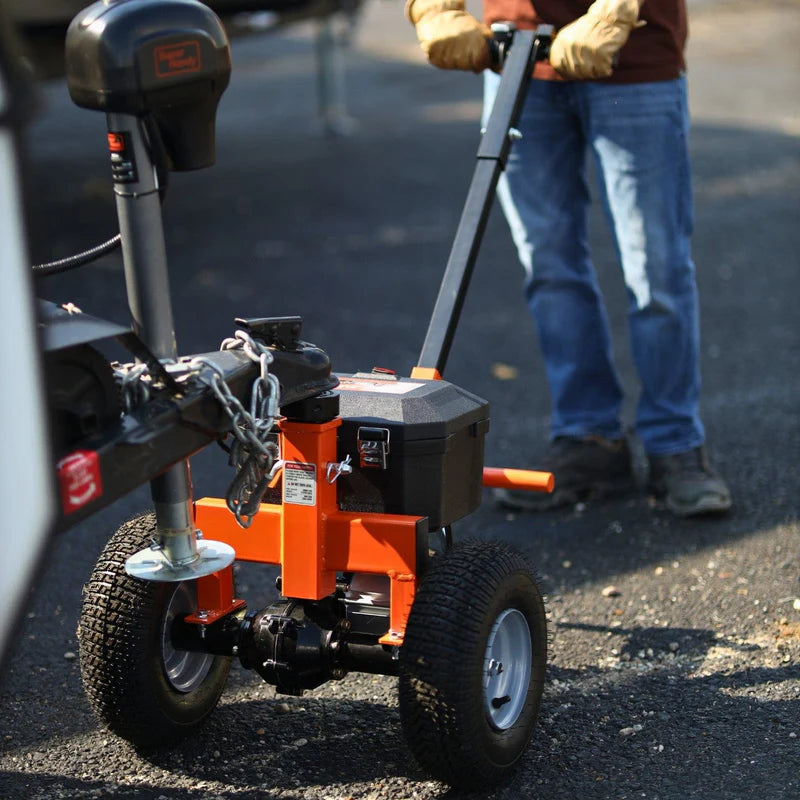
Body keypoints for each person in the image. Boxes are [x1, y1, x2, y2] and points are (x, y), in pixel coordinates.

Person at [405, 0, 731, 517]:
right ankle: (589, 438)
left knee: (656, 268)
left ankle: (675, 446)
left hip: (634, 57)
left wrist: (616, 11)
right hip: (516, 56)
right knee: (550, 266)